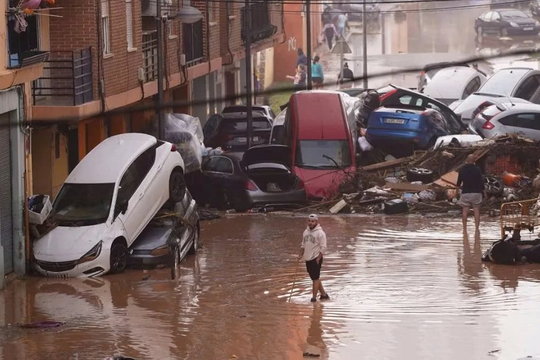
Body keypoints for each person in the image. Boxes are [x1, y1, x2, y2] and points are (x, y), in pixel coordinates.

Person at [298, 214, 329, 303]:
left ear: (316, 222)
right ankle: (324, 295)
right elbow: (303, 245)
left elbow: (323, 247)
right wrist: (300, 254)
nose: (310, 223)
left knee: (315, 278)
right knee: (315, 278)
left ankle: (314, 298)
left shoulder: (320, 233)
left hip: (316, 258)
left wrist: (319, 258)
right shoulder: (305, 232)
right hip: (307, 258)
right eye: (309, 221)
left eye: (312, 221)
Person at [457, 154, 486, 235]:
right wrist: (484, 192)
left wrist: (457, 192)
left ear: (466, 160)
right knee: (476, 210)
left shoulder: (462, 169)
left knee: (465, 210)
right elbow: (481, 181)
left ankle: (464, 229)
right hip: (476, 193)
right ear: (474, 161)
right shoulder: (477, 169)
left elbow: (458, 182)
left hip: (465, 192)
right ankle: (477, 229)